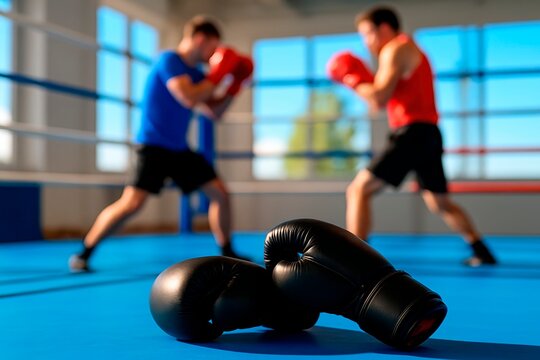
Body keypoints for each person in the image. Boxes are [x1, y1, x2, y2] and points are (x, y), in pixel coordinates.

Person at [69, 15, 253, 271]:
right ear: (201, 39)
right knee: (131, 204)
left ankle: (227, 251)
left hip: (178, 149)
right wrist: (219, 75)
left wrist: (235, 86)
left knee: (220, 194)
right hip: (152, 147)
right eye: (213, 47)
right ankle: (84, 253)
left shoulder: (198, 74)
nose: (214, 55)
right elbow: (188, 98)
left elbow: (215, 112)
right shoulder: (169, 60)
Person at [327, 6, 497, 266]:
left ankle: (354, 260)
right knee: (440, 203)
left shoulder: (395, 48)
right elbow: (377, 103)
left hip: (412, 133)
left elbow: (379, 97)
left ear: (384, 28)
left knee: (358, 189)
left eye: (367, 34)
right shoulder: (406, 50)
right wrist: (365, 82)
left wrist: (351, 78)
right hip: (428, 133)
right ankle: (481, 249)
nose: (366, 42)